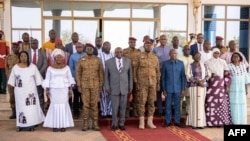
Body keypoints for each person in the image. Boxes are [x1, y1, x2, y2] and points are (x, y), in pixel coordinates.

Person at [7, 51, 44, 131]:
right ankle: (20, 126)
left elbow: (38, 79)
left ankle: (31, 125)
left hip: (30, 91)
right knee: (21, 108)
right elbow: (11, 81)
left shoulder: (32, 67)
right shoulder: (15, 68)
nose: (23, 58)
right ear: (19, 58)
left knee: (30, 109)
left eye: (25, 56)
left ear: (27, 57)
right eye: (22, 56)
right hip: (19, 92)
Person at [42, 48, 75, 132]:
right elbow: (47, 79)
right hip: (54, 90)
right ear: (54, 58)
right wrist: (47, 90)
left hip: (64, 90)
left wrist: (70, 89)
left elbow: (70, 78)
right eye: (57, 57)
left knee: (63, 106)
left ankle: (63, 125)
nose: (59, 58)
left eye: (60, 57)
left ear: (63, 58)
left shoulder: (67, 67)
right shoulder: (50, 68)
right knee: (54, 106)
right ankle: (55, 125)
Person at [76, 43, 104, 131]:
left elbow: (101, 74)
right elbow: (78, 73)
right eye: (87, 49)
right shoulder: (81, 60)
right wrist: (79, 85)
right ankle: (85, 124)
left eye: (91, 49)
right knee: (86, 105)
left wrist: (100, 85)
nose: (89, 50)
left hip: (95, 86)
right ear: (85, 50)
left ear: (93, 50)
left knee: (94, 105)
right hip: (84, 86)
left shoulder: (98, 60)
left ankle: (95, 123)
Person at [104, 47, 133, 131]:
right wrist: (107, 87)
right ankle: (114, 124)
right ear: (115, 53)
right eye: (117, 52)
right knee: (114, 107)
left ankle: (121, 124)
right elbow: (106, 76)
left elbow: (130, 75)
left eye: (120, 51)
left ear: (122, 52)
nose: (119, 53)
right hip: (113, 88)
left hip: (124, 88)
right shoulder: (109, 62)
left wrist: (130, 86)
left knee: (123, 107)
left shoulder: (128, 61)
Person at [134, 40, 160, 129]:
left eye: (150, 45)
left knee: (151, 102)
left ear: (152, 46)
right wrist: (136, 82)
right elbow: (135, 70)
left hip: (152, 83)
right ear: (144, 46)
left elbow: (157, 71)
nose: (149, 46)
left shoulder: (155, 57)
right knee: (141, 102)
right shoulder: (138, 56)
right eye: (147, 45)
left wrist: (158, 83)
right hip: (142, 83)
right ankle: (141, 122)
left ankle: (150, 121)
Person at [205, 48, 232, 127]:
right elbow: (205, 73)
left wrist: (226, 85)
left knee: (220, 103)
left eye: (217, 53)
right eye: (215, 53)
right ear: (212, 53)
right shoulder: (207, 62)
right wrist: (210, 76)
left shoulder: (223, 62)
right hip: (211, 85)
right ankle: (210, 122)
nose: (216, 54)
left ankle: (220, 122)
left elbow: (227, 74)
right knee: (210, 103)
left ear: (219, 53)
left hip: (220, 85)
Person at [186, 52, 211, 129]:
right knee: (194, 104)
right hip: (193, 87)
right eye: (196, 56)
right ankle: (193, 123)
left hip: (202, 86)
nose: (198, 57)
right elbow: (188, 75)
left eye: (199, 56)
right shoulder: (190, 65)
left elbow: (208, 74)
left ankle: (201, 123)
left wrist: (203, 80)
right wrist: (197, 81)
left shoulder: (204, 65)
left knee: (201, 104)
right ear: (193, 57)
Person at [162, 49, 185, 128]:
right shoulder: (165, 64)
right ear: (169, 54)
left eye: (175, 53)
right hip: (168, 89)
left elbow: (182, 77)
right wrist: (164, 89)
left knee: (177, 106)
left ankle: (177, 121)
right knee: (168, 106)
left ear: (177, 54)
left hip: (178, 89)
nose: (173, 55)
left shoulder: (181, 64)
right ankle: (167, 121)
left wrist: (183, 89)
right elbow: (163, 78)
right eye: (172, 53)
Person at [228, 52, 250, 125]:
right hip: (233, 88)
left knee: (242, 104)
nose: (235, 58)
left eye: (237, 56)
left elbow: (246, 78)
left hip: (241, 88)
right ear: (232, 58)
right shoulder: (229, 66)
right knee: (233, 104)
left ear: (240, 58)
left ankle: (242, 121)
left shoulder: (243, 66)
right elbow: (227, 77)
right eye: (234, 56)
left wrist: (246, 89)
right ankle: (234, 121)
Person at [152, 34, 171, 117]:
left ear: (166, 40)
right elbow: (153, 61)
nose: (163, 40)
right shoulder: (155, 50)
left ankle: (167, 109)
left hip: (169, 74)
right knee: (159, 92)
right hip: (159, 73)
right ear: (159, 40)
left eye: (164, 39)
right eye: (162, 39)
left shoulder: (170, 49)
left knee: (167, 92)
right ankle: (160, 110)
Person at [123, 36, 141, 118]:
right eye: (131, 42)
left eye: (134, 42)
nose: (132, 43)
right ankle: (126, 111)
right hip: (127, 76)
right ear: (128, 43)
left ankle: (135, 111)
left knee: (136, 95)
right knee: (127, 95)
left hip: (137, 76)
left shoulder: (139, 52)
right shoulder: (124, 52)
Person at [28, 39, 47, 112]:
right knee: (30, 93)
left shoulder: (42, 52)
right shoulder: (27, 52)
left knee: (40, 94)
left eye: (36, 43)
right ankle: (31, 111)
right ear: (31, 44)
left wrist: (38, 73)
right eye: (33, 43)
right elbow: (25, 63)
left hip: (40, 76)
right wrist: (30, 73)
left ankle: (41, 111)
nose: (35, 44)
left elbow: (45, 64)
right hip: (29, 77)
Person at [68, 42, 86, 119]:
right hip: (76, 80)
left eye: (81, 47)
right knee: (76, 97)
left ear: (83, 47)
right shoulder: (72, 56)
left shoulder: (86, 55)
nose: (79, 48)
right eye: (78, 47)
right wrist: (75, 78)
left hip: (86, 80)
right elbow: (71, 69)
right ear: (76, 48)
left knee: (85, 97)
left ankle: (85, 113)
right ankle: (76, 113)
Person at [98, 41, 115, 118]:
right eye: (105, 46)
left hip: (112, 79)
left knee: (111, 95)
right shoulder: (99, 56)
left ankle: (110, 111)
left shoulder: (113, 55)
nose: (107, 47)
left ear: (110, 47)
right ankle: (104, 112)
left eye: (108, 46)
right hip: (103, 78)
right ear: (103, 47)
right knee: (104, 96)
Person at [177, 45, 193, 116]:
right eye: (185, 49)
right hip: (180, 79)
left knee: (188, 97)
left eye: (188, 49)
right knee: (180, 96)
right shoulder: (179, 58)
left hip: (190, 81)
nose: (187, 50)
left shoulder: (192, 58)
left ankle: (188, 112)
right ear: (183, 50)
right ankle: (179, 113)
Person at [5, 42, 20, 119]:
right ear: (12, 48)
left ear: (19, 48)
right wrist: (8, 77)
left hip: (19, 80)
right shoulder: (9, 57)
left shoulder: (22, 56)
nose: (15, 49)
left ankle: (19, 111)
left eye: (17, 47)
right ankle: (13, 112)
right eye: (13, 47)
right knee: (12, 96)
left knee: (20, 96)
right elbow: (6, 68)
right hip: (11, 80)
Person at [0, 30, 10, 94]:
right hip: (3, 60)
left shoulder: (6, 42)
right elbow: (8, 53)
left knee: (4, 77)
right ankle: (2, 89)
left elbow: (8, 53)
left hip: (3, 61)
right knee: (2, 77)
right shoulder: (6, 42)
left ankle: (3, 89)